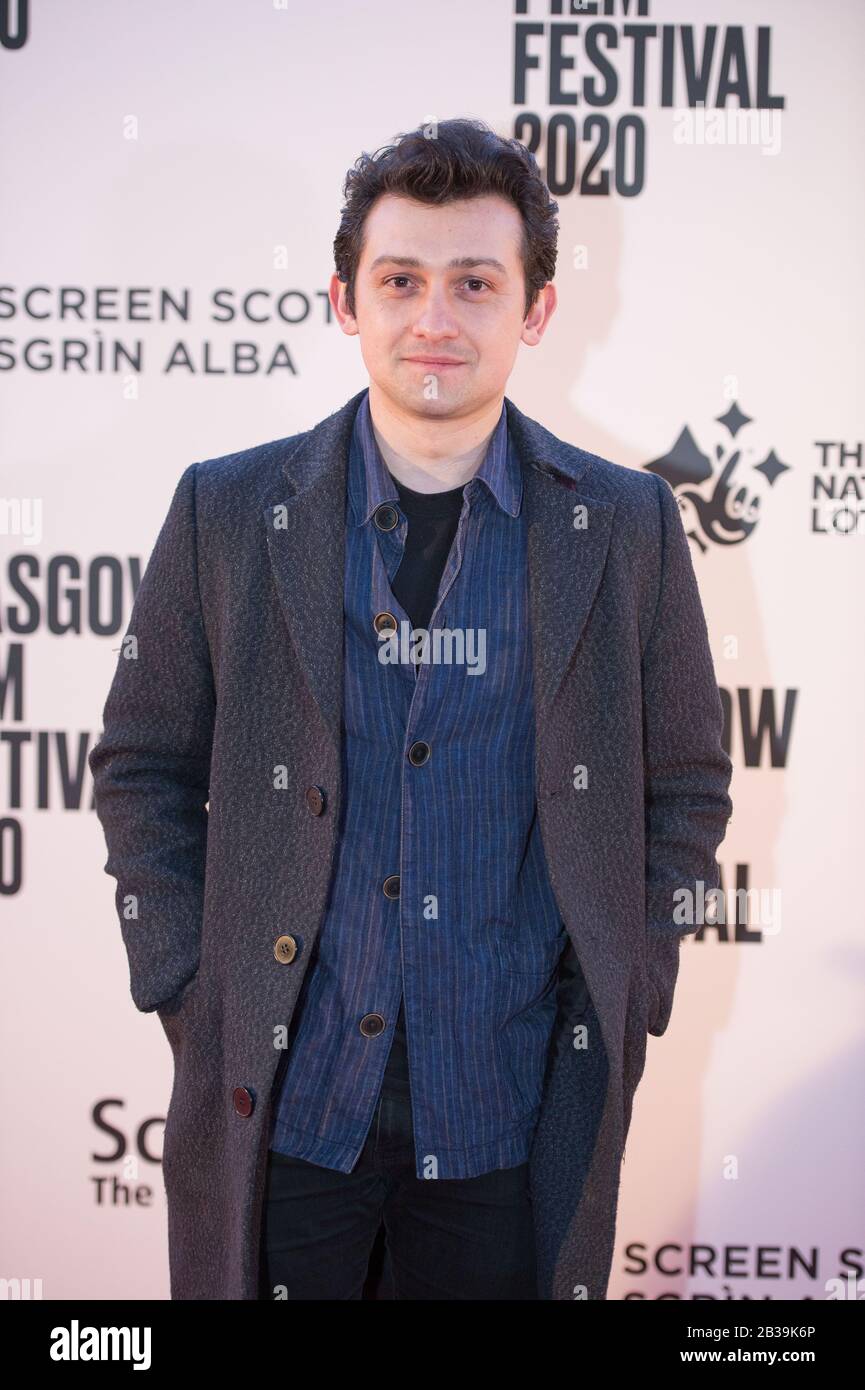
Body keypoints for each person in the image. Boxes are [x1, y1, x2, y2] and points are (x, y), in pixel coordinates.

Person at [89, 117, 733, 1301]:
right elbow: (140, 762)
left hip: (508, 1115)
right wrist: (188, 980)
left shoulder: (628, 527)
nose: (435, 318)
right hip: (284, 1110)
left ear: (533, 311)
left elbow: (686, 784)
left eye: (475, 284)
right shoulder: (227, 512)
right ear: (346, 300)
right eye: (400, 280)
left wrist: (630, 975)